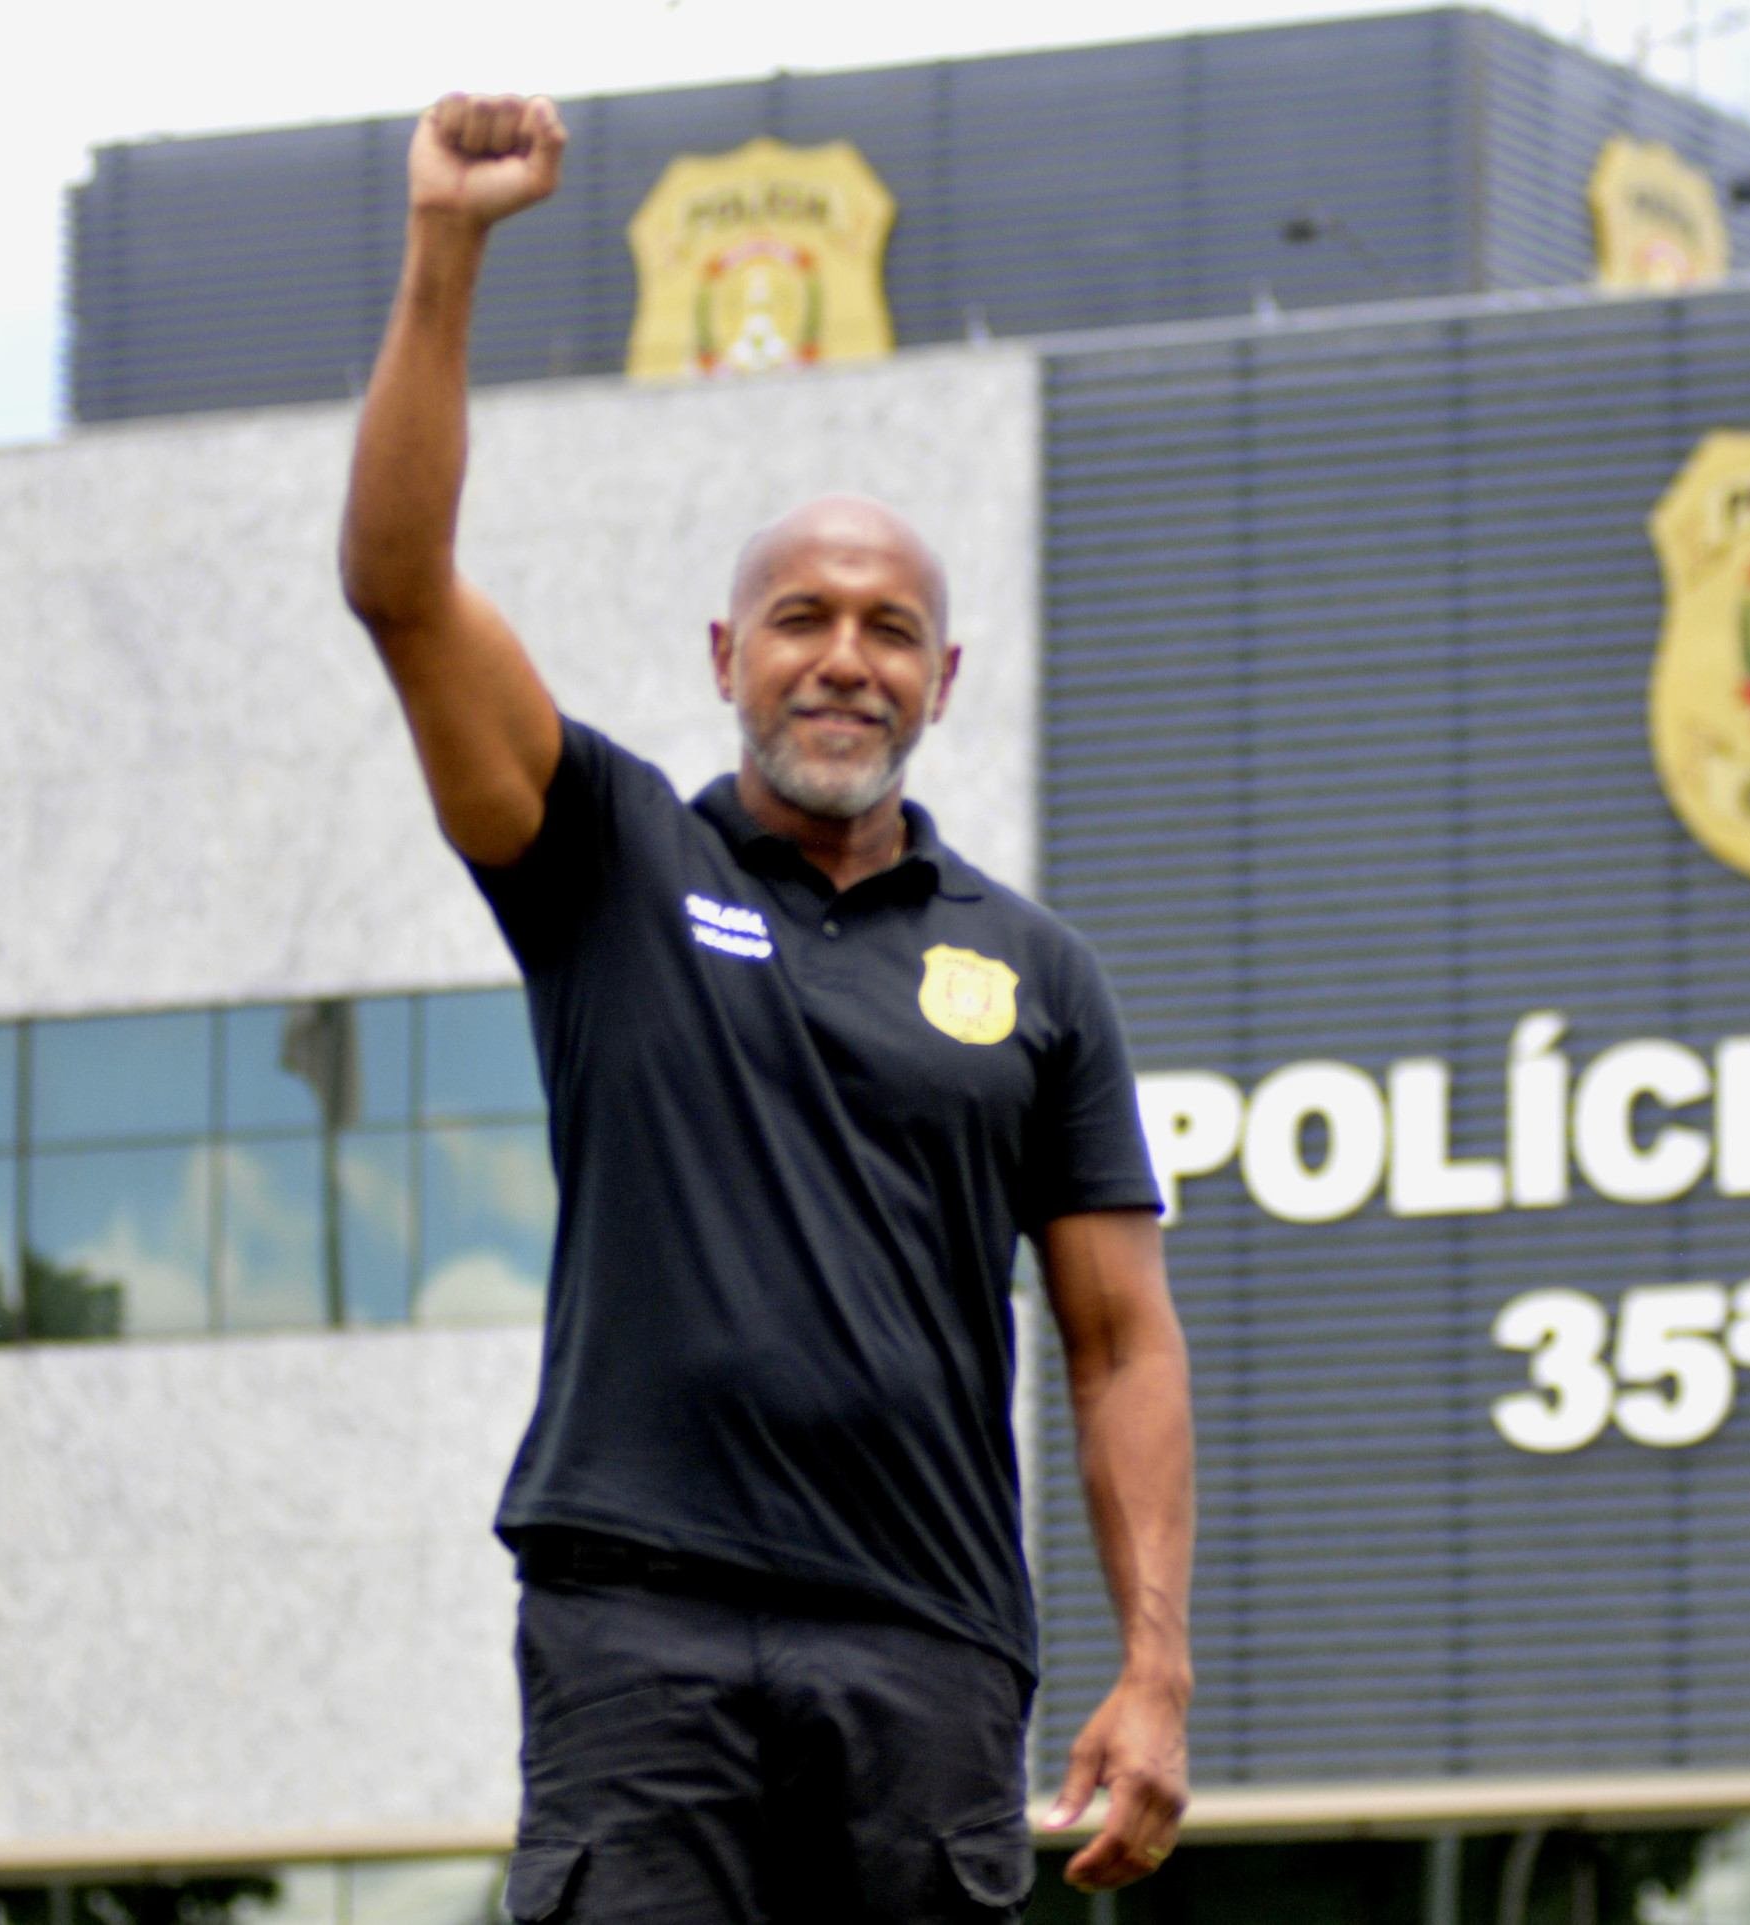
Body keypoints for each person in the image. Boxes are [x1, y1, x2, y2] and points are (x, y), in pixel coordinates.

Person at [336, 91, 1194, 1923]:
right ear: (728, 657)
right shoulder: (611, 863)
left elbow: (1119, 1341)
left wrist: (1156, 1661)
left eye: (889, 628)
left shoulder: (1036, 971)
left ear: (941, 680)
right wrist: (449, 250)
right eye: (801, 616)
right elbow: (398, 587)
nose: (843, 656)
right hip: (638, 1623)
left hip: (930, 1644)